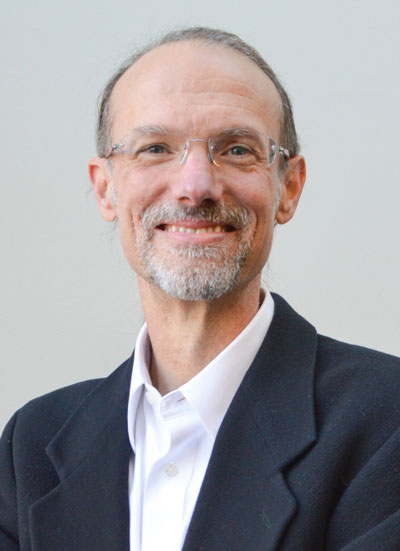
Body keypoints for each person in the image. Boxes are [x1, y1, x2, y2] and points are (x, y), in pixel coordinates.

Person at [1, 27, 400, 551]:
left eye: (236, 149)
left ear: (289, 188)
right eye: (155, 148)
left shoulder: (386, 422)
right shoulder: (32, 446)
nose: (195, 186)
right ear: (106, 189)